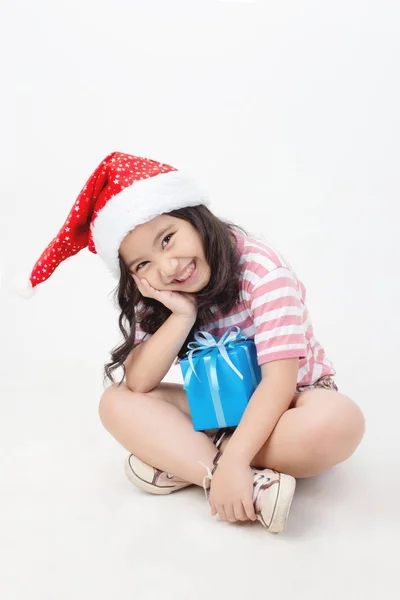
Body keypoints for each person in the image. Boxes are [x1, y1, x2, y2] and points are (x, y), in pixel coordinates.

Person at [25, 151, 365, 534]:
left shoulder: (262, 271)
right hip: (220, 408)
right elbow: (139, 384)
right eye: (143, 264)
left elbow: (280, 381)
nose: (167, 267)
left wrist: (235, 459)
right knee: (116, 401)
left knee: (337, 423)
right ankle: (252, 487)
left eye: (168, 239)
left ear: (195, 218)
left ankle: (193, 462)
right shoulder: (159, 291)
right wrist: (181, 315)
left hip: (288, 404)